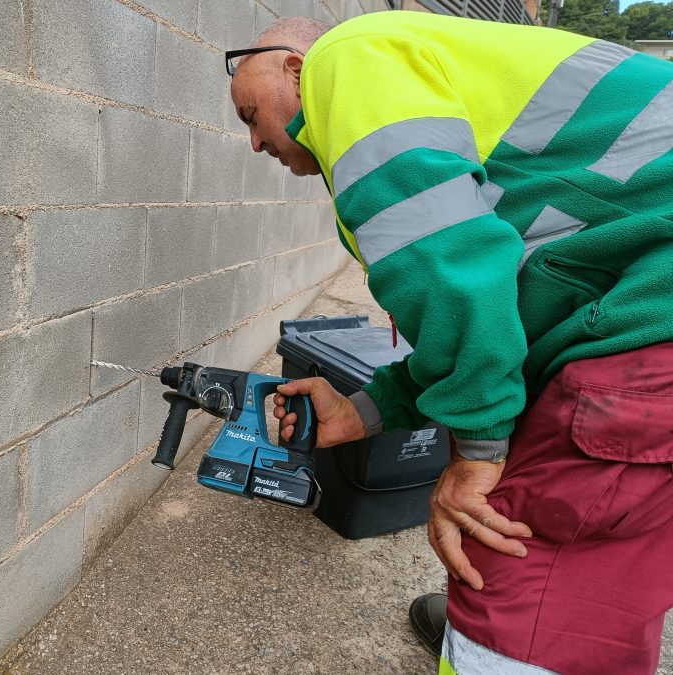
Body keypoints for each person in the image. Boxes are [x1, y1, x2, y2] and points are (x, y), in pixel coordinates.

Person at [228, 11, 673, 675]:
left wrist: (479, 450)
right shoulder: (441, 88)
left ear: (295, 67)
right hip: (645, 304)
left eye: (248, 112)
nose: (255, 143)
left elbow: (449, 269)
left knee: (507, 558)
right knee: (609, 564)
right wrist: (367, 409)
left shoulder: (349, 58)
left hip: (649, 332)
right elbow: (505, 310)